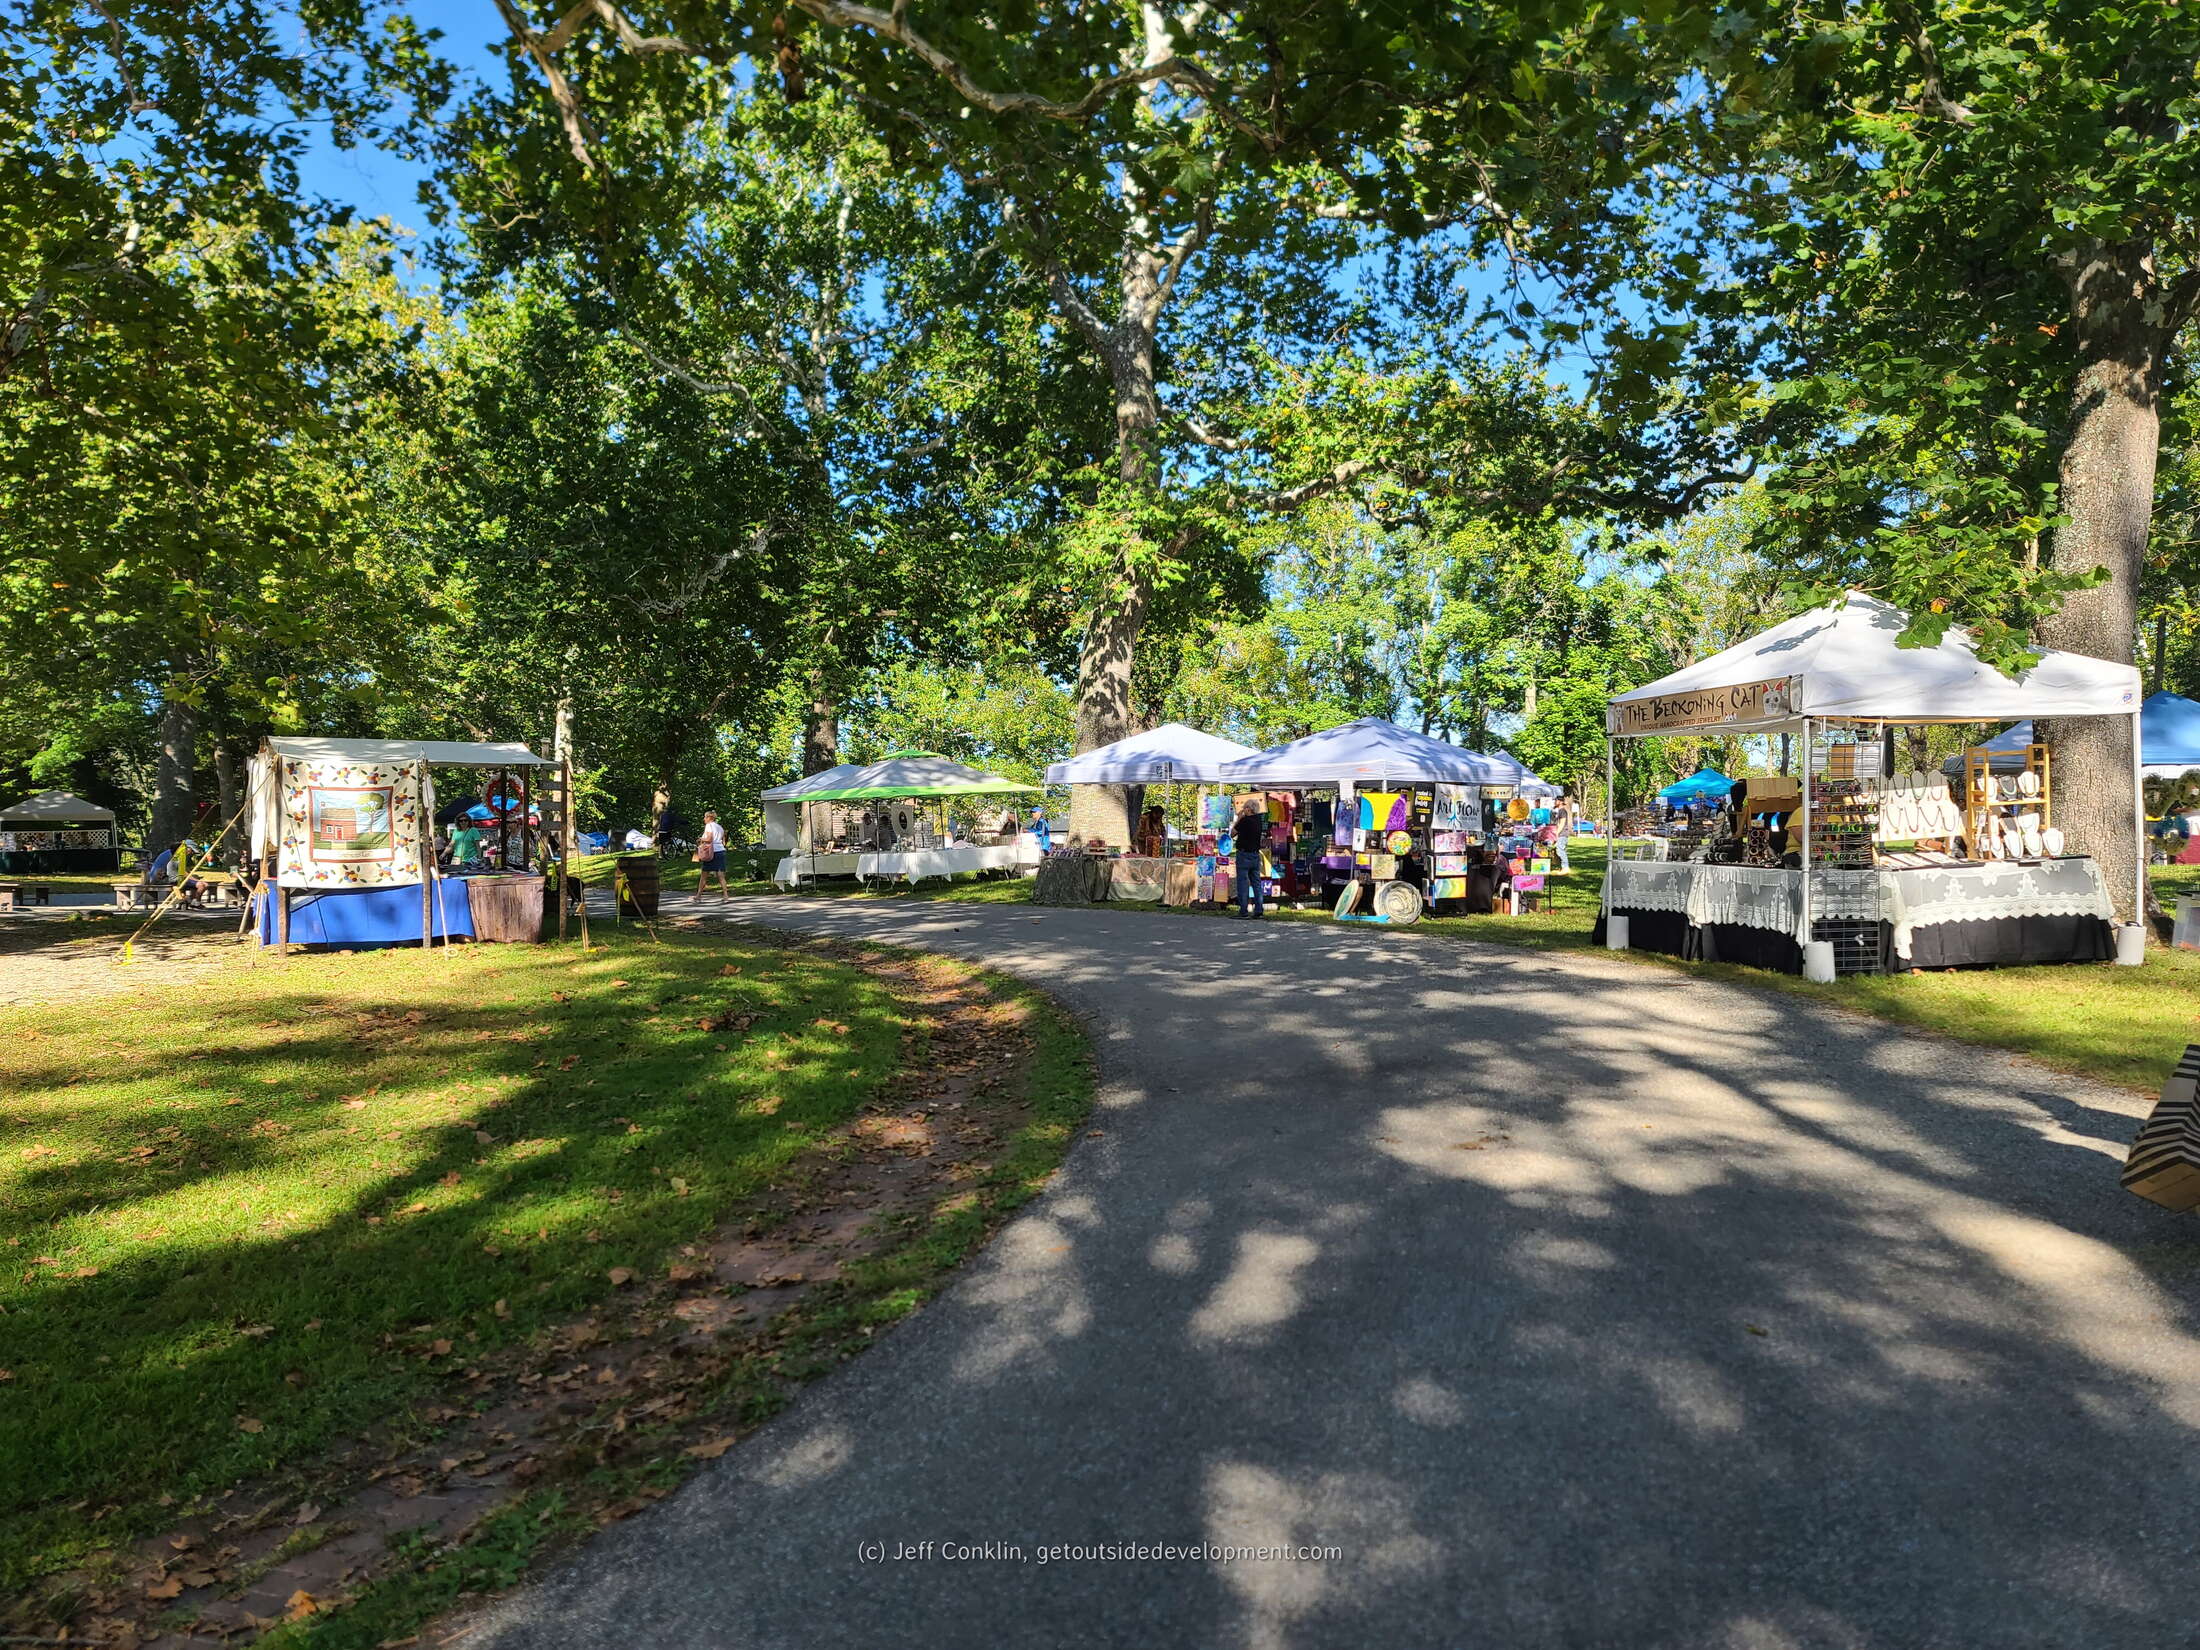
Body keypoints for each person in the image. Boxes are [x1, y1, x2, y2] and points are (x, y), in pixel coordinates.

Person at [1231, 800, 1267, 918]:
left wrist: (1238, 819)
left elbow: (1232, 833)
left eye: (1244, 808)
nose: (1243, 810)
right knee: (1256, 883)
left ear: (1248, 809)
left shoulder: (1245, 821)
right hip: (1255, 855)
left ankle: (1243, 911)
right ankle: (1259, 910)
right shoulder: (1258, 821)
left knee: (1243, 883)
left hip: (1244, 854)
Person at [694, 808, 729, 901]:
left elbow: (709, 839)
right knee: (721, 875)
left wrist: (700, 839)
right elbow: (723, 841)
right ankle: (725, 895)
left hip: (711, 852)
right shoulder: (720, 827)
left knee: (704, 874)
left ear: (709, 817)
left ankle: (698, 895)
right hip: (721, 851)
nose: (704, 819)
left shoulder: (709, 826)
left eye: (705, 817)